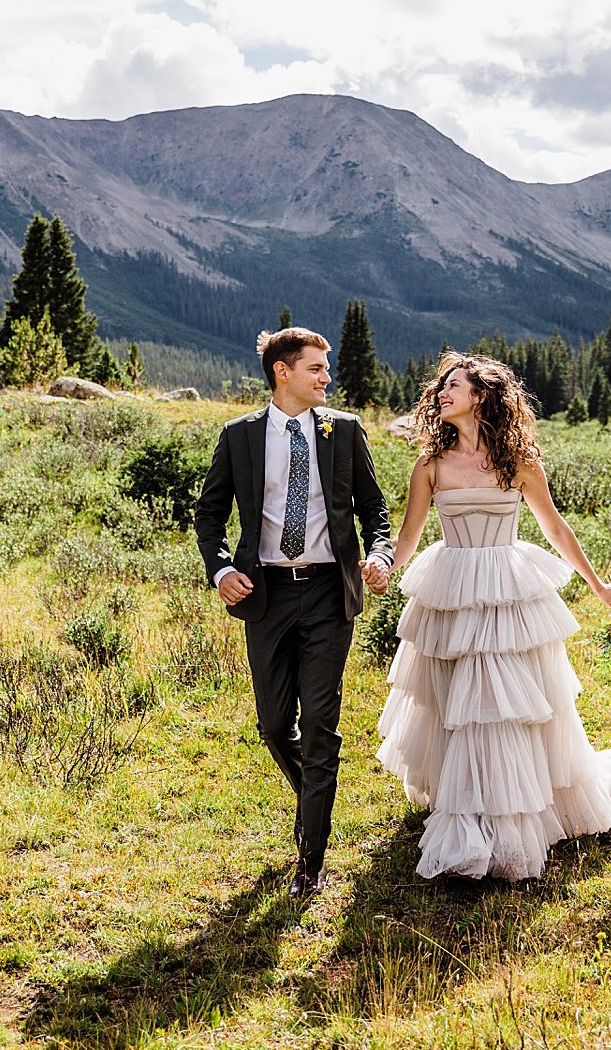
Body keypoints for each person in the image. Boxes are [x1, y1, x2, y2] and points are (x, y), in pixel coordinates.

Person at [374, 353, 611, 881]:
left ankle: (502, 817)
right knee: (457, 699)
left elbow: (555, 529)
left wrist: (599, 586)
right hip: (452, 584)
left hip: (507, 587)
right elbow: (411, 533)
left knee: (505, 704)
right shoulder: (429, 463)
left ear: (480, 396)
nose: (441, 393)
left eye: (453, 386)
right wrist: (385, 565)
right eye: (440, 388)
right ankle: (467, 800)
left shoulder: (518, 462)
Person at [195, 327, 395, 899]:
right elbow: (209, 515)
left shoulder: (345, 431)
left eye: (326, 369)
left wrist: (378, 554)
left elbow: (374, 508)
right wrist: (220, 569)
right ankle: (314, 797)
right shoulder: (239, 437)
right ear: (283, 372)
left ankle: (311, 860)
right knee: (274, 724)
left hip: (331, 596)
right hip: (266, 594)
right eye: (315, 369)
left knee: (321, 730)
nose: (325, 378)